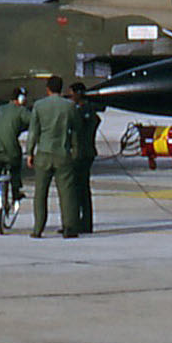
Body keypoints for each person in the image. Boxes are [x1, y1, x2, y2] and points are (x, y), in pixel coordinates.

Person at [26, 75, 80, 238]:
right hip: (63, 154)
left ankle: (38, 228)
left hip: (43, 153)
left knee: (40, 193)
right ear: (61, 88)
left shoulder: (39, 105)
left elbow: (33, 132)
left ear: (47, 88)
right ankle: (69, 227)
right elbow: (76, 130)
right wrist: (75, 151)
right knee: (67, 193)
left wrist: (30, 152)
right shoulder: (69, 106)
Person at [0, 88, 30, 226]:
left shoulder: (1, 109)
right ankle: (16, 192)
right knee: (15, 168)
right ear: (21, 99)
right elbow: (34, 122)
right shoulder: (22, 111)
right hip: (10, 152)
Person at [68, 83, 101, 234]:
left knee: (76, 189)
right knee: (83, 189)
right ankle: (85, 223)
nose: (70, 97)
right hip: (87, 152)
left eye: (72, 93)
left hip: (80, 154)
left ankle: (76, 222)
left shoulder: (82, 112)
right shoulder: (88, 111)